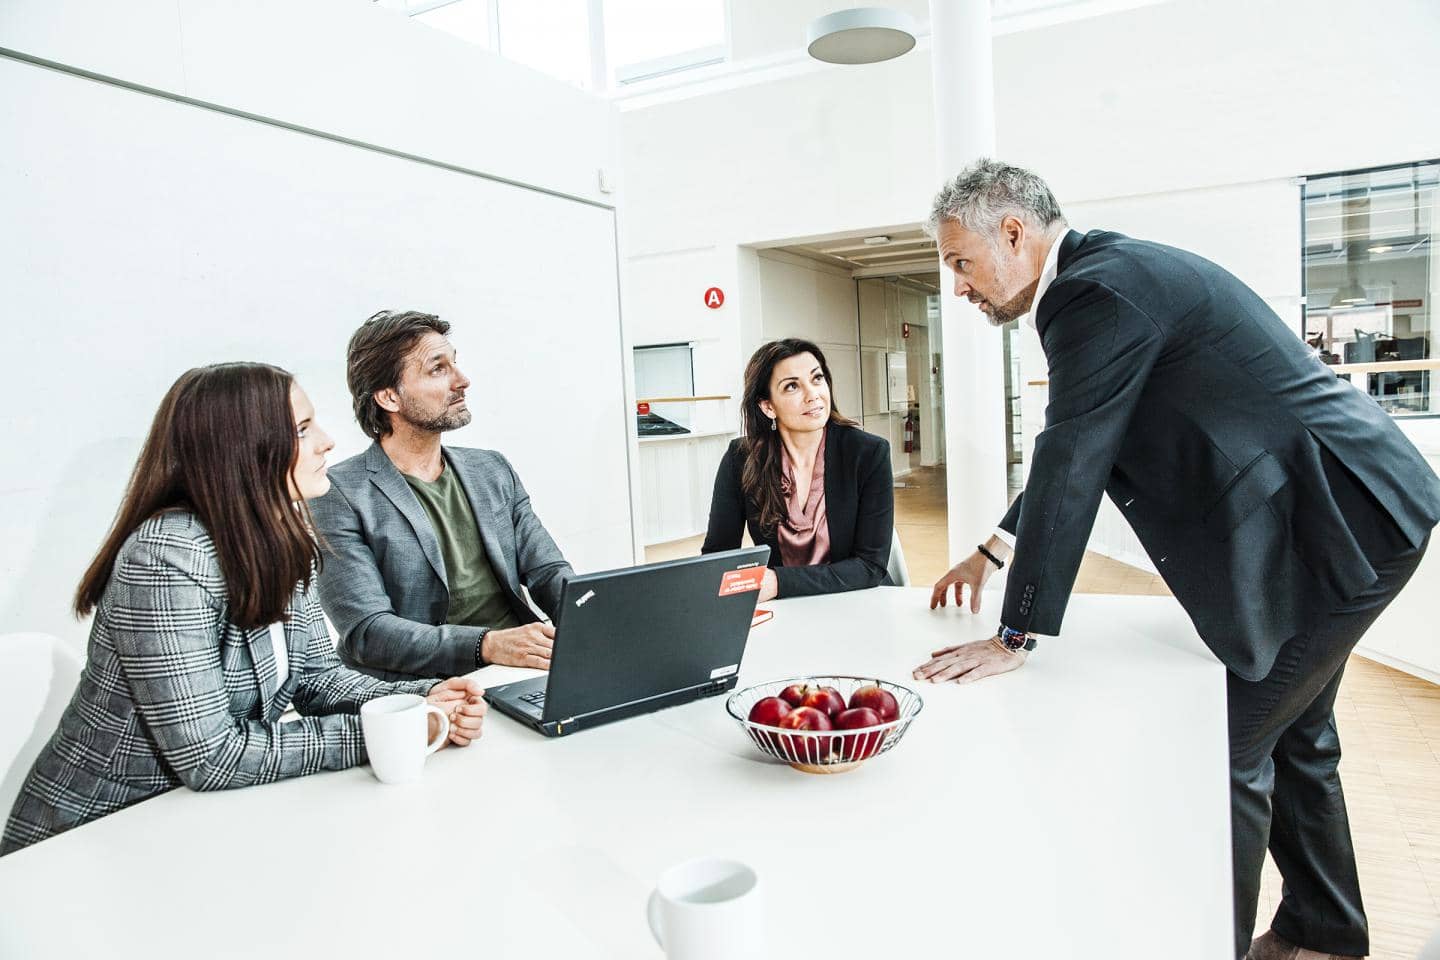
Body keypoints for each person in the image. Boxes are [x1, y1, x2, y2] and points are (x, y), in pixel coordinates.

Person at [910, 159, 1440, 960]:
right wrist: (993, 550)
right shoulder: (1107, 276)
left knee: (1227, 749)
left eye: (961, 262)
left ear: (1013, 234)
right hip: (1348, 512)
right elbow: (1089, 441)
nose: (959, 287)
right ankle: (1323, 932)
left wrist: (1015, 633)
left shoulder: (1094, 292)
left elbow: (1074, 451)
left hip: (1348, 522)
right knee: (1297, 737)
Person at [1, 363, 486, 855]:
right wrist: (390, 733)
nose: (328, 441)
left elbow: (316, 678)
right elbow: (210, 756)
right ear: (242, 452)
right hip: (90, 841)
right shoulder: (166, 559)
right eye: (302, 429)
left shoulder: (278, 536)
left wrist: (422, 697)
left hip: (200, 824)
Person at [310, 311, 571, 682]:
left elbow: (547, 571)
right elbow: (368, 632)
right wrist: (488, 644)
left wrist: (589, 621)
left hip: (520, 668)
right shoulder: (338, 493)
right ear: (389, 397)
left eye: (455, 363)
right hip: (427, 687)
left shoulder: (492, 470)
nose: (462, 381)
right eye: (438, 369)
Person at [702, 338, 894, 599]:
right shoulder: (741, 459)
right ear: (768, 406)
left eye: (817, 379)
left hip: (859, 600)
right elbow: (718, 556)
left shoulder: (868, 453)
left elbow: (870, 567)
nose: (813, 394)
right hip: (783, 610)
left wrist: (779, 582)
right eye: (792, 386)